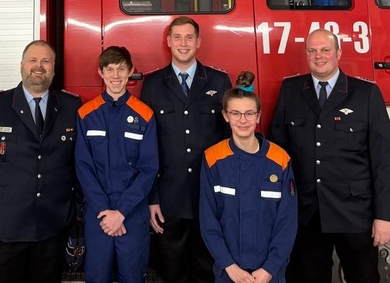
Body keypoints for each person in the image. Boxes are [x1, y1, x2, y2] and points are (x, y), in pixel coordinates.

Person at [270, 28, 390, 283]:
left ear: (338, 52)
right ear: (306, 54)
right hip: (307, 213)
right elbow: (278, 152)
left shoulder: (366, 94)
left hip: (354, 212)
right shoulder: (291, 90)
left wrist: (385, 216)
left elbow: (383, 160)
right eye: (312, 51)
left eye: (325, 50)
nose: (319, 56)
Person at [0, 40, 82, 283]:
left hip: (52, 224)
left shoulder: (71, 106)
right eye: (33, 60)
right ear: (21, 66)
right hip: (5, 225)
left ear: (54, 69)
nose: (39, 66)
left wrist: (75, 214)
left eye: (46, 61)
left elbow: (78, 165)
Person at [140, 16, 232, 283]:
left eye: (189, 37)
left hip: (210, 195)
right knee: (173, 270)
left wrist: (228, 195)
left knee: (209, 268)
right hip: (170, 196)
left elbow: (229, 142)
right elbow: (147, 147)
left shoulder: (219, 80)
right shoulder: (153, 83)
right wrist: (152, 198)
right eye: (177, 37)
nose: (183, 43)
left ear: (198, 42)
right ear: (168, 42)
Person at [200, 79, 297, 283]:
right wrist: (229, 265)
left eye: (249, 113)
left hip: (270, 273)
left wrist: (269, 269)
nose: (242, 120)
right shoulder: (213, 159)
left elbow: (287, 222)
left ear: (258, 116)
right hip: (229, 273)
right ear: (226, 116)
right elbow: (208, 220)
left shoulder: (279, 160)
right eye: (235, 113)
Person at [75, 46, 159, 283]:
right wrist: (106, 213)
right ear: (100, 72)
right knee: (97, 276)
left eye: (121, 69)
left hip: (132, 213)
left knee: (133, 277)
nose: (115, 75)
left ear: (131, 71)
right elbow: (83, 166)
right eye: (109, 69)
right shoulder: (86, 114)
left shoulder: (145, 114)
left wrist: (121, 212)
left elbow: (149, 168)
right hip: (97, 213)